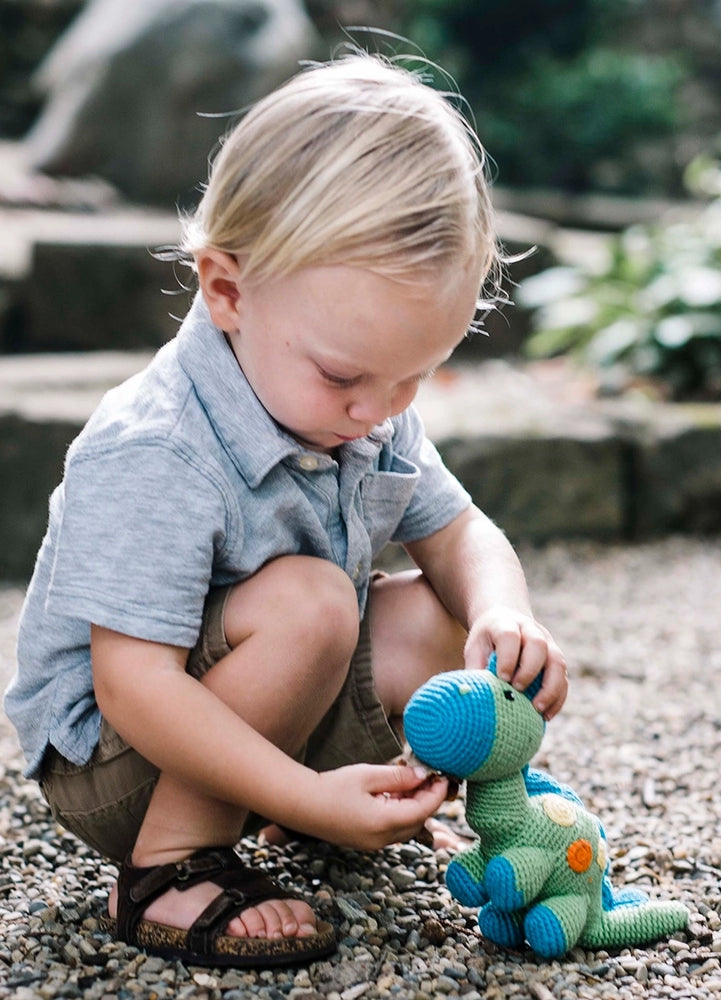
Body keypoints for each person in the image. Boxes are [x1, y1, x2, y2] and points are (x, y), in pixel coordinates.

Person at [5, 52, 569, 968]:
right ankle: (172, 867)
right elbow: (133, 686)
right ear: (227, 290)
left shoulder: (364, 402)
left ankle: (310, 809)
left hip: (268, 713)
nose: (381, 409)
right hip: (125, 764)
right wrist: (305, 799)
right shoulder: (159, 447)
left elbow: (462, 531)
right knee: (311, 597)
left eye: (416, 373)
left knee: (439, 611)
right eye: (347, 375)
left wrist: (506, 615)